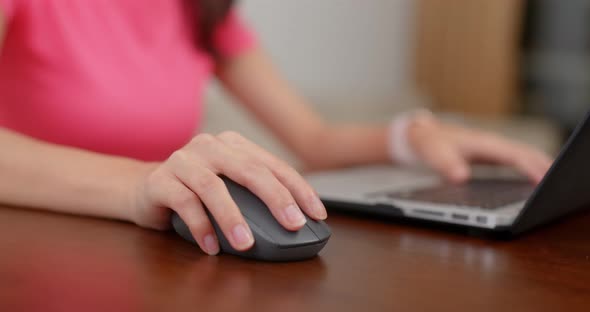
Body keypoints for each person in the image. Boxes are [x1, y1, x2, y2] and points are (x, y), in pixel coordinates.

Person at [0, 0, 551, 256]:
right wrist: (142, 183)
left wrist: (412, 135)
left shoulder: (202, 9)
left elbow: (312, 139)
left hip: (155, 265)